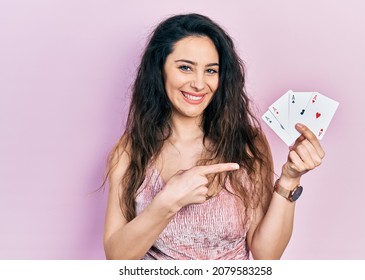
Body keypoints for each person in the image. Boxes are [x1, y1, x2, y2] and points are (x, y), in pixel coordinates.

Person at [103, 13, 325, 260]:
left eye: (211, 70)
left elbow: (267, 255)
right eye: (185, 67)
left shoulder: (247, 143)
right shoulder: (131, 150)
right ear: (160, 69)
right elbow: (116, 258)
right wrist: (166, 203)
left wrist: (290, 179)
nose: (199, 84)